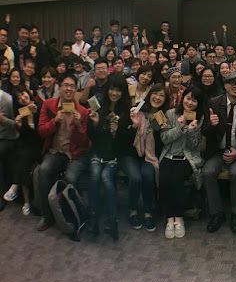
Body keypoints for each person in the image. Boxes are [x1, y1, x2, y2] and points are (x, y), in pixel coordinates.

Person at [35, 73, 91, 231]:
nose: (69, 89)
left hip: (74, 154)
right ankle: (47, 216)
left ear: (75, 90)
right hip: (56, 151)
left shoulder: (82, 111)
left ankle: (70, 216)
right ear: (59, 87)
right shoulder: (48, 105)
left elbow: (85, 143)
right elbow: (41, 132)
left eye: (72, 86)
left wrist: (79, 125)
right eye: (66, 85)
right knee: (44, 170)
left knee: (70, 177)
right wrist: (55, 121)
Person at [202, 72, 236, 234]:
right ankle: (216, 214)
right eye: (232, 83)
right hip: (218, 151)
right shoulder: (214, 103)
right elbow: (204, 132)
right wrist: (212, 125)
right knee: (208, 172)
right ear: (225, 85)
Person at [87, 75, 131, 240]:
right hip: (98, 153)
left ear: (123, 92)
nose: (114, 93)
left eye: (118, 90)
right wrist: (95, 123)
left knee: (105, 177)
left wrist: (116, 132)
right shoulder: (99, 106)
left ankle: (112, 221)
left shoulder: (127, 110)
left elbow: (127, 141)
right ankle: (93, 220)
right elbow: (91, 136)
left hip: (115, 156)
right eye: (112, 89)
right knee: (95, 176)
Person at [159, 87, 205, 239]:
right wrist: (179, 127)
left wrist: (192, 130)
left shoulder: (199, 118)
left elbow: (195, 146)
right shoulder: (170, 114)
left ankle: (178, 218)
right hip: (169, 155)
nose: (190, 102)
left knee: (177, 179)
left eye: (194, 100)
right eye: (188, 98)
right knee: (165, 179)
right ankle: (169, 218)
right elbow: (164, 138)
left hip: (187, 157)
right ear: (182, 98)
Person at [125, 84, 169, 232]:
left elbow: (162, 143)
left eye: (162, 95)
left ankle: (148, 211)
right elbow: (123, 134)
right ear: (149, 94)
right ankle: (132, 210)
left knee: (148, 175)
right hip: (131, 153)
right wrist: (134, 126)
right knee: (135, 178)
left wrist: (163, 131)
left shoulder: (163, 116)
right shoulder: (138, 109)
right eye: (155, 94)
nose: (157, 97)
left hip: (150, 156)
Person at [2, 86, 40, 216]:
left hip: (38, 146)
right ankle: (26, 201)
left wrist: (30, 119)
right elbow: (24, 136)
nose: (23, 98)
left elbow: (37, 136)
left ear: (28, 92)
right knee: (18, 156)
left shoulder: (39, 105)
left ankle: (15, 186)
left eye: (23, 94)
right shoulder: (21, 111)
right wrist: (18, 125)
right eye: (19, 98)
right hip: (25, 146)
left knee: (23, 156)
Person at [0, 87, 17, 212]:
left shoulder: (7, 99)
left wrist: (2, 120)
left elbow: (16, 124)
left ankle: (1, 198)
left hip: (8, 137)